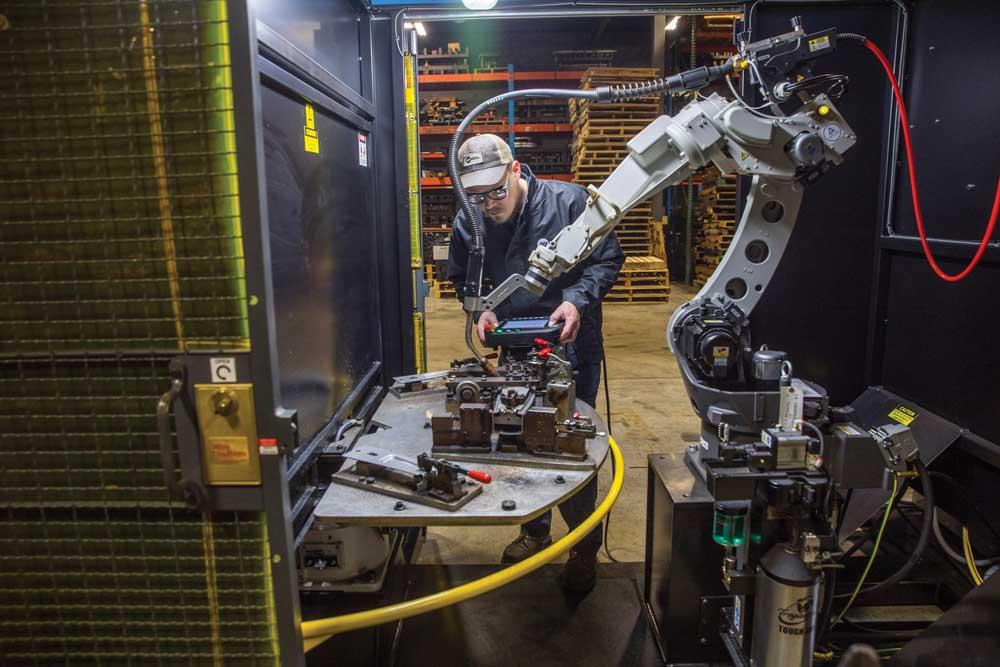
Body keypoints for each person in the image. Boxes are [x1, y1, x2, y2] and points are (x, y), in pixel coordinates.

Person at [447, 134, 625, 593]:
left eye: (496, 192)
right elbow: (461, 278)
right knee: (519, 437)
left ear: (515, 169)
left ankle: (583, 547)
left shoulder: (571, 203)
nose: (488, 203)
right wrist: (479, 310)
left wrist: (576, 301)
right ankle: (534, 531)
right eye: (476, 195)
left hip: (571, 340)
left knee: (571, 444)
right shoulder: (469, 222)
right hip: (514, 343)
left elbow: (607, 259)